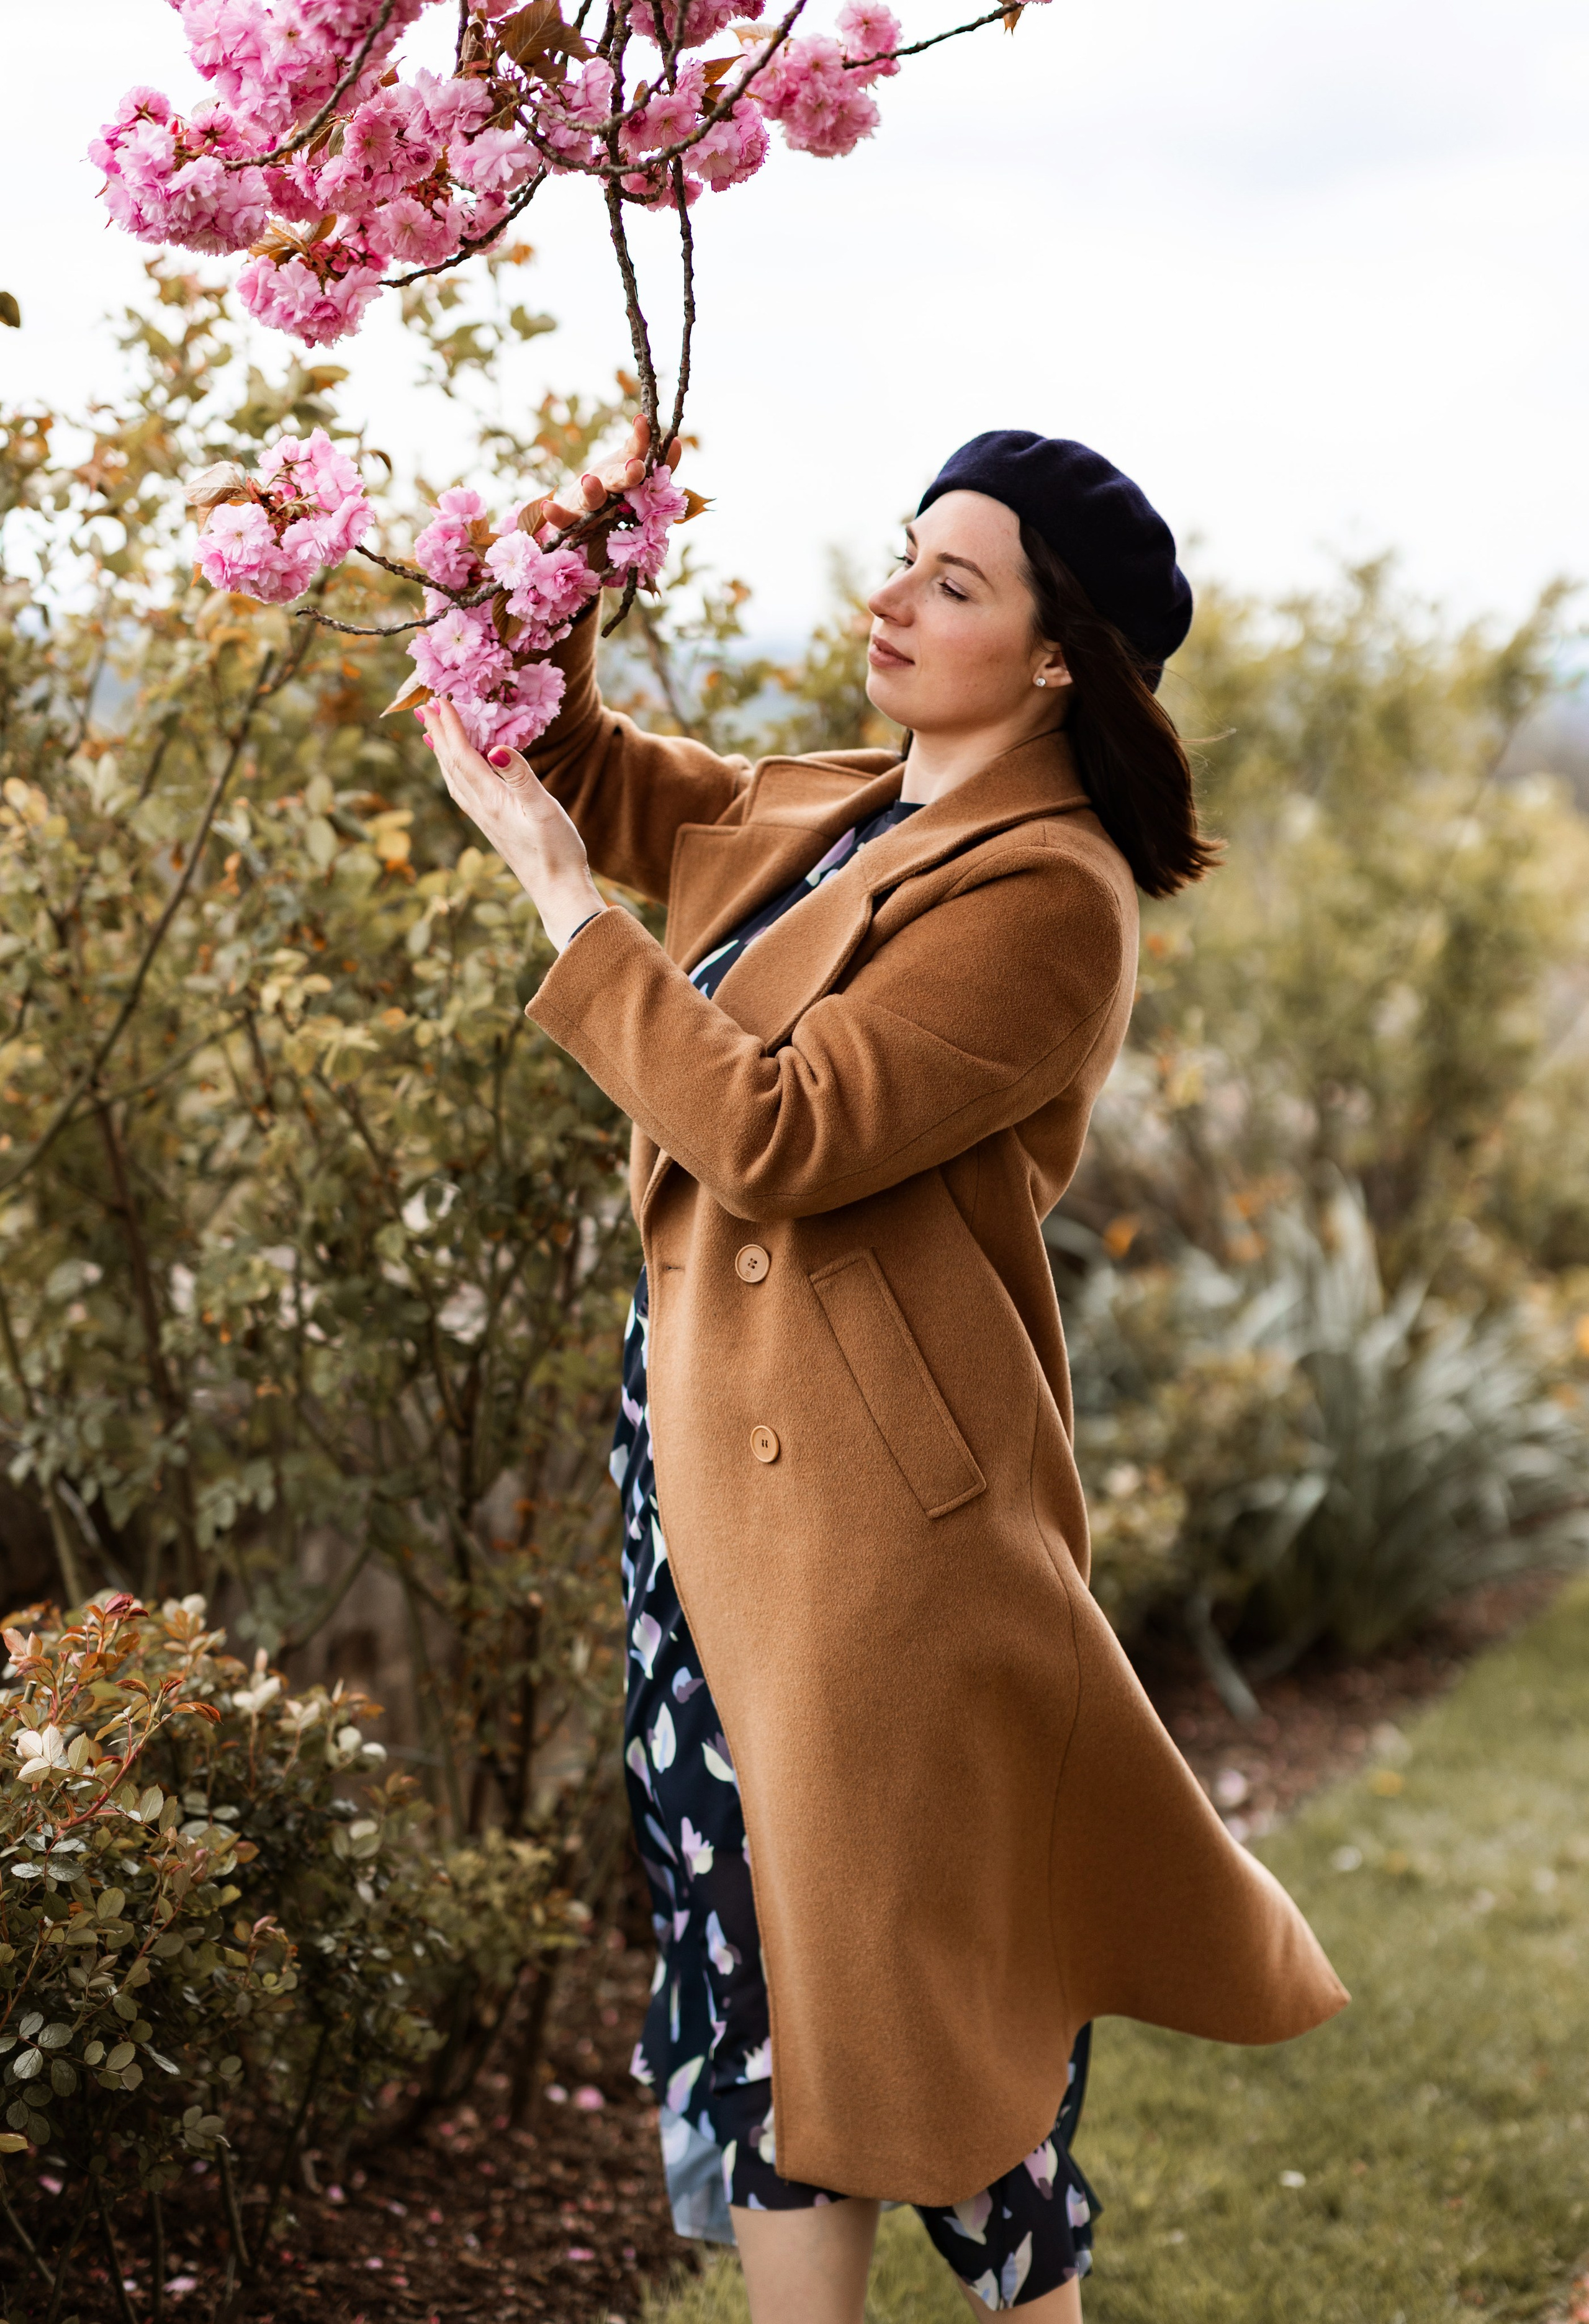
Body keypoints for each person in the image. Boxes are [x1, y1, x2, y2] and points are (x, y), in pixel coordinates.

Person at [420, 424, 1348, 2323]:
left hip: (875, 1538)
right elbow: (596, 771)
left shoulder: (1051, 895)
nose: (894, 599)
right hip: (703, 1470)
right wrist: (543, 600)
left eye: (956, 581)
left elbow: (779, 1127)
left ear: (1061, 650)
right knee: (756, 1987)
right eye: (904, 556)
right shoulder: (846, 805)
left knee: (938, 2023)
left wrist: (562, 906)